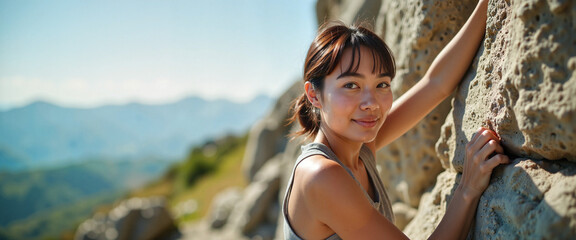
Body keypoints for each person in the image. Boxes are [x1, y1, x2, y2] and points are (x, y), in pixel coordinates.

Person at [283, 0, 510, 239]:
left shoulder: (357, 144)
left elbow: (435, 84)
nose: (371, 103)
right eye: (351, 85)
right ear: (313, 95)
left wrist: (488, 5)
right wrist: (468, 189)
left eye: (381, 84)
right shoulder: (321, 175)